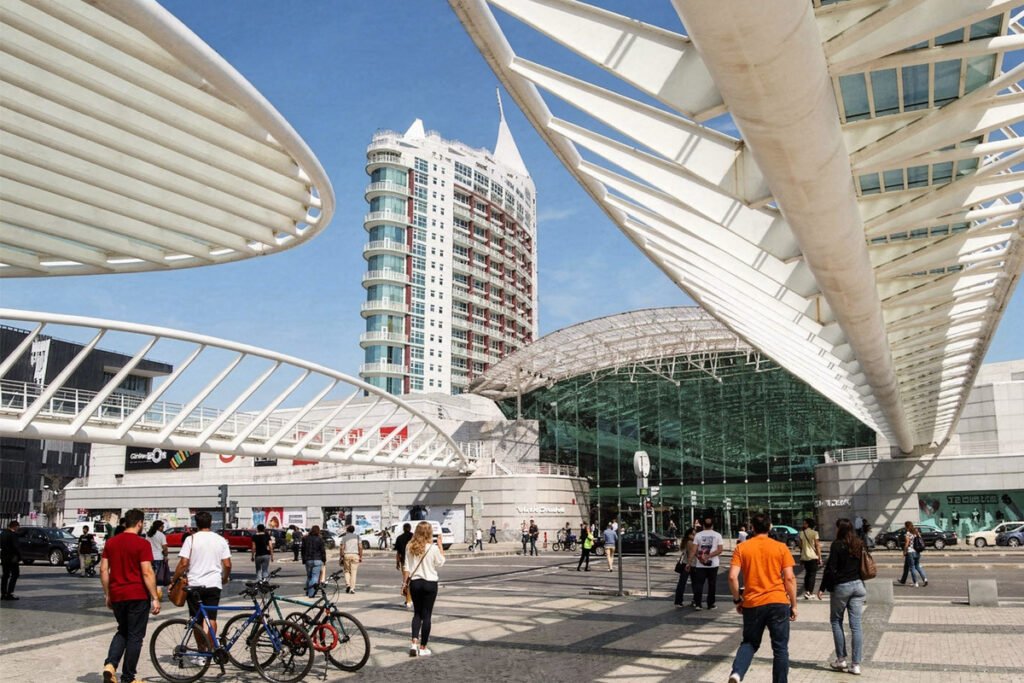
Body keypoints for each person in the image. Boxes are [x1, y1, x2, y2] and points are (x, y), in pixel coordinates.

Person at [727, 513, 797, 683]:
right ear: (770, 527)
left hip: (753, 603)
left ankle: (737, 673)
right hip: (778, 601)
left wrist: (738, 600)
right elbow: (789, 578)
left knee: (749, 642)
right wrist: (793, 605)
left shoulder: (742, 548)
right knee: (780, 648)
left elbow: (732, 577)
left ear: (752, 528)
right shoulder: (781, 548)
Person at [100, 509, 160, 683]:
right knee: (135, 636)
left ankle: (110, 665)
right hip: (137, 595)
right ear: (140, 523)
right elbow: (147, 572)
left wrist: (107, 594)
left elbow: (103, 570)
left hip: (117, 594)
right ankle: (128, 678)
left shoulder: (111, 543)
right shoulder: (142, 544)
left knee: (122, 631)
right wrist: (155, 596)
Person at [171, 512, 231, 639]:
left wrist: (174, 579)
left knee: (196, 621)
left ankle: (201, 653)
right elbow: (227, 564)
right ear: (210, 523)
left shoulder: (191, 539)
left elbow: (183, 564)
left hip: (194, 584)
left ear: (196, 524)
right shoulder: (220, 540)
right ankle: (212, 649)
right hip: (214, 584)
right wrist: (224, 578)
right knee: (211, 618)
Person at [820, 518, 866, 675]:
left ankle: (841, 660)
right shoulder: (858, 543)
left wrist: (822, 587)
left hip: (842, 587)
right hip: (859, 586)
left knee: (836, 620)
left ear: (839, 529)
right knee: (856, 625)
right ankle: (856, 664)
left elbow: (830, 568)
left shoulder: (837, 544)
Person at [404, 521, 446, 657]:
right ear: (429, 533)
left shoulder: (410, 546)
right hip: (430, 583)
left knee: (417, 614)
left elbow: (406, 567)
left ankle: (413, 643)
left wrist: (405, 583)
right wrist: (440, 546)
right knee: (427, 615)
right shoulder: (432, 548)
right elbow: (440, 562)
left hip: (415, 583)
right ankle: (423, 647)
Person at [691, 517, 724, 610]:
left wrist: (699, 558)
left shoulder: (698, 535)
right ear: (712, 525)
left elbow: (694, 550)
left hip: (700, 564)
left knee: (699, 584)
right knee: (712, 584)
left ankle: (698, 604)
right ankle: (710, 604)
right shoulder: (718, 535)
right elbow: (720, 550)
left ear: (703, 525)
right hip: (713, 564)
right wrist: (708, 556)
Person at [896, 521, 927, 588]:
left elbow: (907, 543)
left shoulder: (908, 533)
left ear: (907, 526)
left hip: (910, 552)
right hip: (917, 552)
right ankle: (925, 579)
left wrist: (904, 551)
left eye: (905, 526)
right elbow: (920, 540)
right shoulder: (917, 532)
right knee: (917, 566)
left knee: (912, 567)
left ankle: (915, 582)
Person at [798, 518, 822, 600]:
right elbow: (817, 545)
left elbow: (800, 546)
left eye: (805, 523)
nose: (803, 524)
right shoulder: (815, 533)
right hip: (813, 556)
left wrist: (801, 555)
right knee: (812, 575)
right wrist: (820, 557)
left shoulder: (802, 533)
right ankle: (809, 592)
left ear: (808, 524)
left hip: (805, 557)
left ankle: (807, 591)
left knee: (807, 574)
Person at [299, 526, 326, 598]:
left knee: (309, 576)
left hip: (308, 559)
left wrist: (303, 559)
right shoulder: (320, 539)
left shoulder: (305, 538)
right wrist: (324, 560)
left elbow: (302, 550)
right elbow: (322, 550)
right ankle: (311, 593)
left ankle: (308, 591)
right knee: (315, 577)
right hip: (317, 559)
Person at [673, 528, 696, 607]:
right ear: (689, 535)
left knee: (682, 583)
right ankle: (695, 600)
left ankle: (678, 601)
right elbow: (691, 554)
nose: (695, 535)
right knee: (695, 584)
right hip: (690, 565)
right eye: (693, 534)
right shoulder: (690, 542)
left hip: (684, 564)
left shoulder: (685, 541)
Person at [1, 520, 22, 601]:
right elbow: (16, 547)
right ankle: (10, 593)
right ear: (15, 526)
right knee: (15, 574)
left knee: (5, 575)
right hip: (12, 558)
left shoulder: (3, 534)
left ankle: (3, 593)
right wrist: (19, 557)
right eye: (17, 527)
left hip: (4, 557)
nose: (18, 529)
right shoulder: (13, 535)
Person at [395, 522, 414, 608]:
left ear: (403, 529)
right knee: (412, 581)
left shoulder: (399, 538)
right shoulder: (414, 537)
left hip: (404, 561)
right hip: (414, 561)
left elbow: (398, 552)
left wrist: (397, 562)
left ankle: (408, 600)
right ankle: (410, 600)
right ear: (410, 528)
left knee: (406, 581)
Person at [340, 524, 363, 594]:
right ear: (353, 530)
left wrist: (341, 556)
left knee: (347, 571)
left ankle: (348, 584)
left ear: (347, 530)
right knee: (354, 572)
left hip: (346, 555)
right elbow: (360, 547)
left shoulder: (344, 537)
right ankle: (352, 588)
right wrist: (361, 556)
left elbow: (342, 547)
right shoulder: (358, 537)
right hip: (355, 555)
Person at [145, 521, 168, 589]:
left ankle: (150, 589)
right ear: (159, 527)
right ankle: (156, 592)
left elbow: (146, 545)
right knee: (158, 577)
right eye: (162, 526)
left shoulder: (148, 534)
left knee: (150, 575)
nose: (163, 528)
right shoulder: (161, 535)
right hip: (159, 558)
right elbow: (165, 548)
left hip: (149, 557)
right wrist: (166, 556)